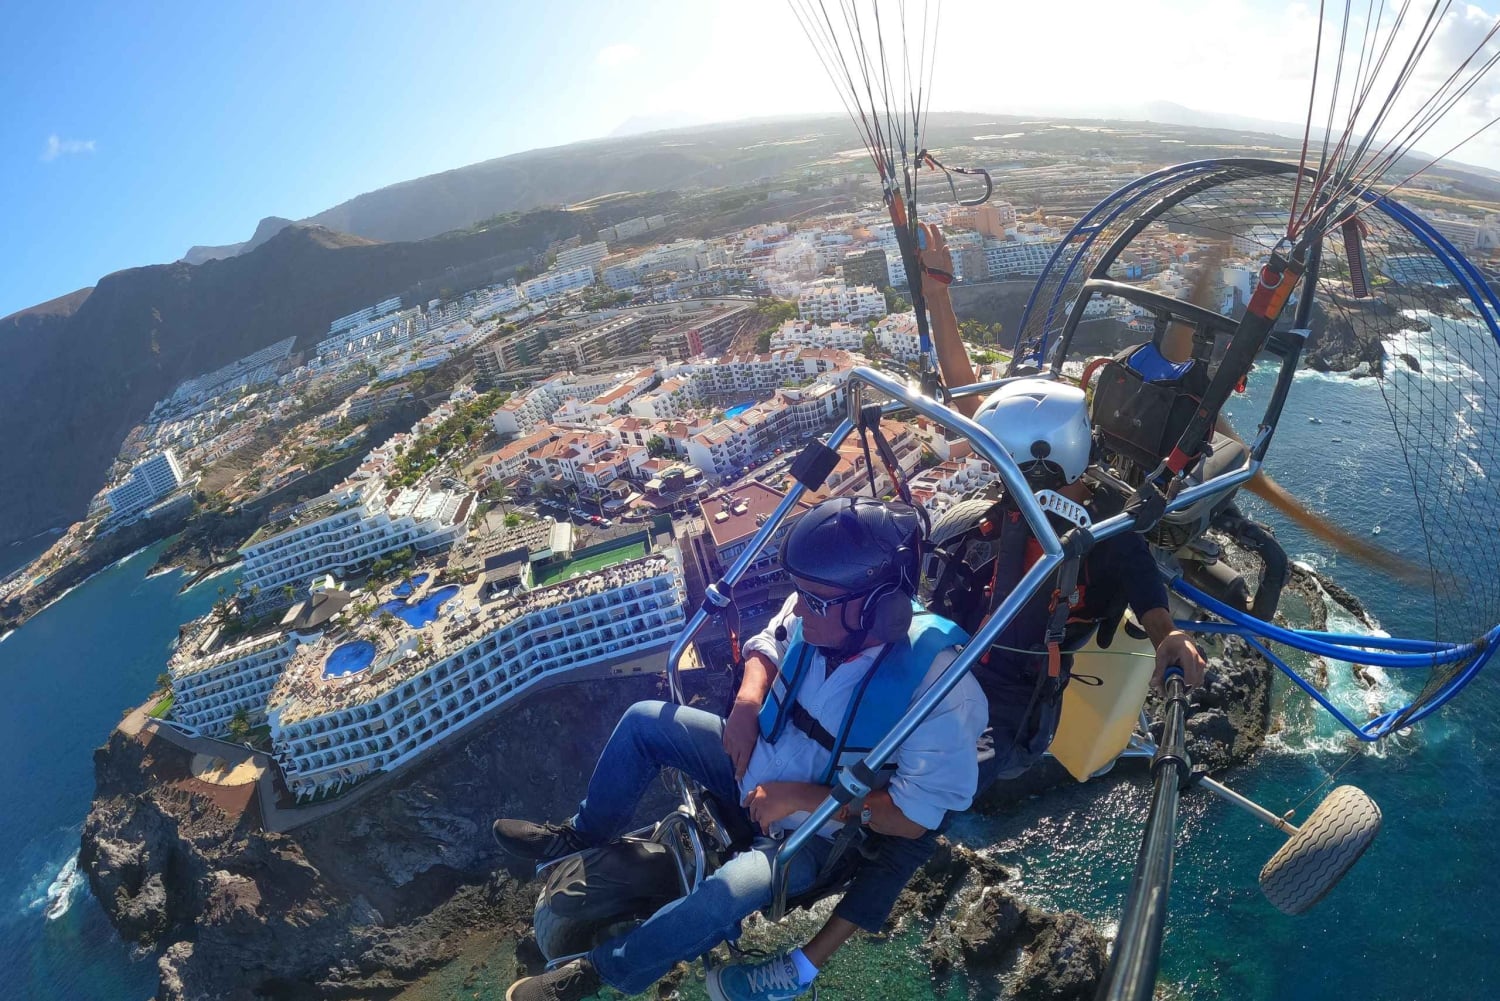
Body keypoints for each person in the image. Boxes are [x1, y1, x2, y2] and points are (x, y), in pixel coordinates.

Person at [709, 227, 1206, 992]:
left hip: (1002, 714)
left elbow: (1145, 586)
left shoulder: (1101, 528)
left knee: (907, 821)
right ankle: (746, 832)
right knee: (827, 719)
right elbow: (970, 399)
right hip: (926, 664)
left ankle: (803, 962)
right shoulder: (1007, 497)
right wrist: (939, 293)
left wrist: (1170, 638)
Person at [493, 497, 988, 1001]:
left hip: (807, 834)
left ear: (876, 607)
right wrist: (747, 706)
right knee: (644, 720)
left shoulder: (939, 688)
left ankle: (599, 974)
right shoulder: (820, 607)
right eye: (800, 593)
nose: (802, 607)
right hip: (753, 761)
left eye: (815, 600)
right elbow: (769, 643)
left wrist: (797, 798)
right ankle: (580, 836)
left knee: (724, 896)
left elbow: (911, 821)